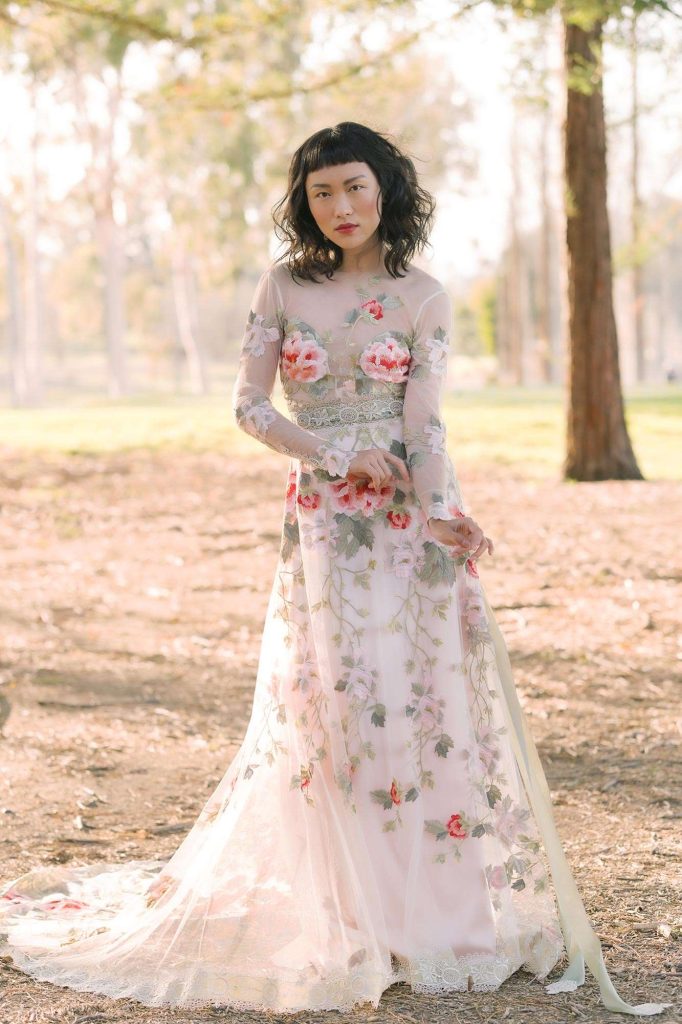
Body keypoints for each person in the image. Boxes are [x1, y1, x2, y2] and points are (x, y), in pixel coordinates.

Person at [0, 122, 670, 1017]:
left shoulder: (424, 296)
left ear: (386, 188)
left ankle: (433, 912)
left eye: (355, 186)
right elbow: (248, 406)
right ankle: (352, 912)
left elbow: (426, 423)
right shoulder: (284, 285)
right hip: (325, 519)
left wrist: (445, 515)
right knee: (344, 699)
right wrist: (334, 454)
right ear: (305, 203)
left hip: (410, 524)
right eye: (322, 193)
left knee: (422, 700)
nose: (341, 206)